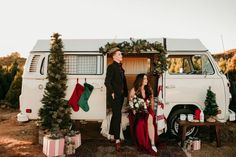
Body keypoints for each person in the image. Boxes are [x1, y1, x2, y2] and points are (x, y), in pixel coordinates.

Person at [128, 73, 158, 156]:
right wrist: (134, 110)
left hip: (147, 109)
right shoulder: (134, 90)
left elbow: (151, 101)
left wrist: (152, 111)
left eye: (146, 79)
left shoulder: (149, 89)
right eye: (144, 79)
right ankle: (144, 142)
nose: (146, 80)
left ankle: (152, 144)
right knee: (141, 123)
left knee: (150, 117)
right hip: (137, 111)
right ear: (140, 80)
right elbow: (130, 102)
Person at [104, 47, 128, 151]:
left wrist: (126, 94)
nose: (121, 56)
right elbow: (107, 82)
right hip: (115, 96)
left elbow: (123, 82)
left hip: (121, 96)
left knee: (116, 114)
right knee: (117, 116)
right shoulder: (111, 67)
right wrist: (112, 92)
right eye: (119, 54)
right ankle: (117, 140)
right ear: (114, 56)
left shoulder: (120, 68)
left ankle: (112, 134)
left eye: (121, 54)